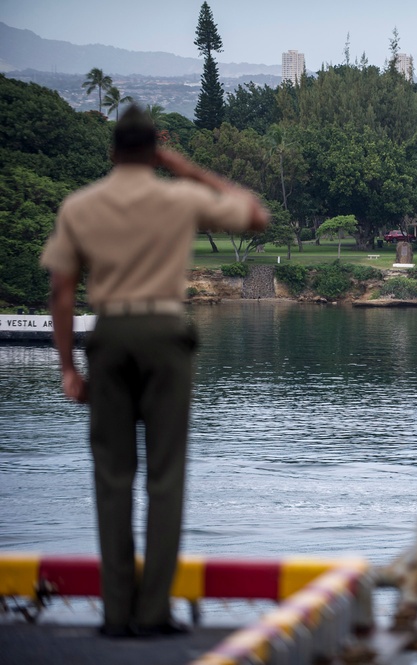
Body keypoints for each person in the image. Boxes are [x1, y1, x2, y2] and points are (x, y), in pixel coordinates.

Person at [40, 105, 270, 638]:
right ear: (155, 150)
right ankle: (153, 612)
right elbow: (255, 215)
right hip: (166, 335)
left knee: (111, 477)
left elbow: (62, 290)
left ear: (113, 151)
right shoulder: (179, 196)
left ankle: (117, 614)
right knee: (166, 478)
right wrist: (186, 168)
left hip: (112, 335)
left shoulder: (80, 206)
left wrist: (69, 368)